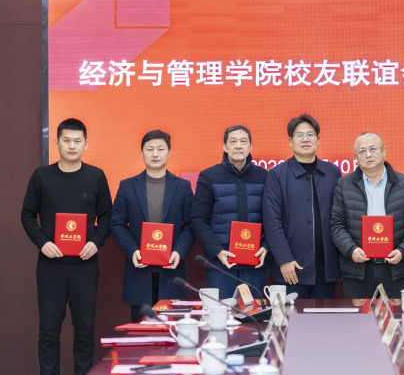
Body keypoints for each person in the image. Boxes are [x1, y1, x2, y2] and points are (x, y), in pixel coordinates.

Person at [21, 118, 112, 375]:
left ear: (86, 144)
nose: (72, 146)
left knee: (84, 331)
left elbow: (107, 216)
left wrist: (96, 242)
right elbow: (27, 214)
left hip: (85, 266)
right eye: (67, 140)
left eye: (77, 141)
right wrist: (43, 243)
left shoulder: (96, 176)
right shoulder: (41, 176)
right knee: (49, 332)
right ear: (56, 143)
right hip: (51, 267)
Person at [111, 130, 195, 322]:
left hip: (172, 271)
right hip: (139, 272)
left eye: (160, 149)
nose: (155, 154)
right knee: (141, 332)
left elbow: (191, 224)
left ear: (169, 152)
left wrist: (179, 251)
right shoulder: (127, 186)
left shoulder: (183, 186)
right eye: (149, 149)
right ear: (142, 153)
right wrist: (132, 250)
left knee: (172, 332)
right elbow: (117, 223)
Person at [330, 133, 404, 298]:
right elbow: (337, 225)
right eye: (362, 151)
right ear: (355, 157)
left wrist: (403, 251)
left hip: (395, 269)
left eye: (373, 149)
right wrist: (351, 250)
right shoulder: (343, 186)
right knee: (358, 315)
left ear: (384, 151)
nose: (368, 155)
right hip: (357, 270)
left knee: (396, 315)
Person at [263, 114, 342, 298]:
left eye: (310, 134)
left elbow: (340, 218)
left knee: (323, 316)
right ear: (290, 141)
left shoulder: (333, 172)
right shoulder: (277, 174)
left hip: (326, 269)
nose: (305, 139)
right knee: (291, 316)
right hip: (292, 268)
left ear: (318, 140)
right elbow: (272, 221)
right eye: (299, 135)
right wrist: (284, 259)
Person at [191, 125, 268, 298]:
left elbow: (273, 218)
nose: (238, 146)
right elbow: (198, 219)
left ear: (250, 146)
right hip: (220, 263)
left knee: (253, 312)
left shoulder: (264, 176)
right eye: (233, 141)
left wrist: (266, 247)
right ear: (224, 146)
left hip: (254, 261)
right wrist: (217, 251)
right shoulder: (208, 176)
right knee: (222, 312)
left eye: (243, 141)